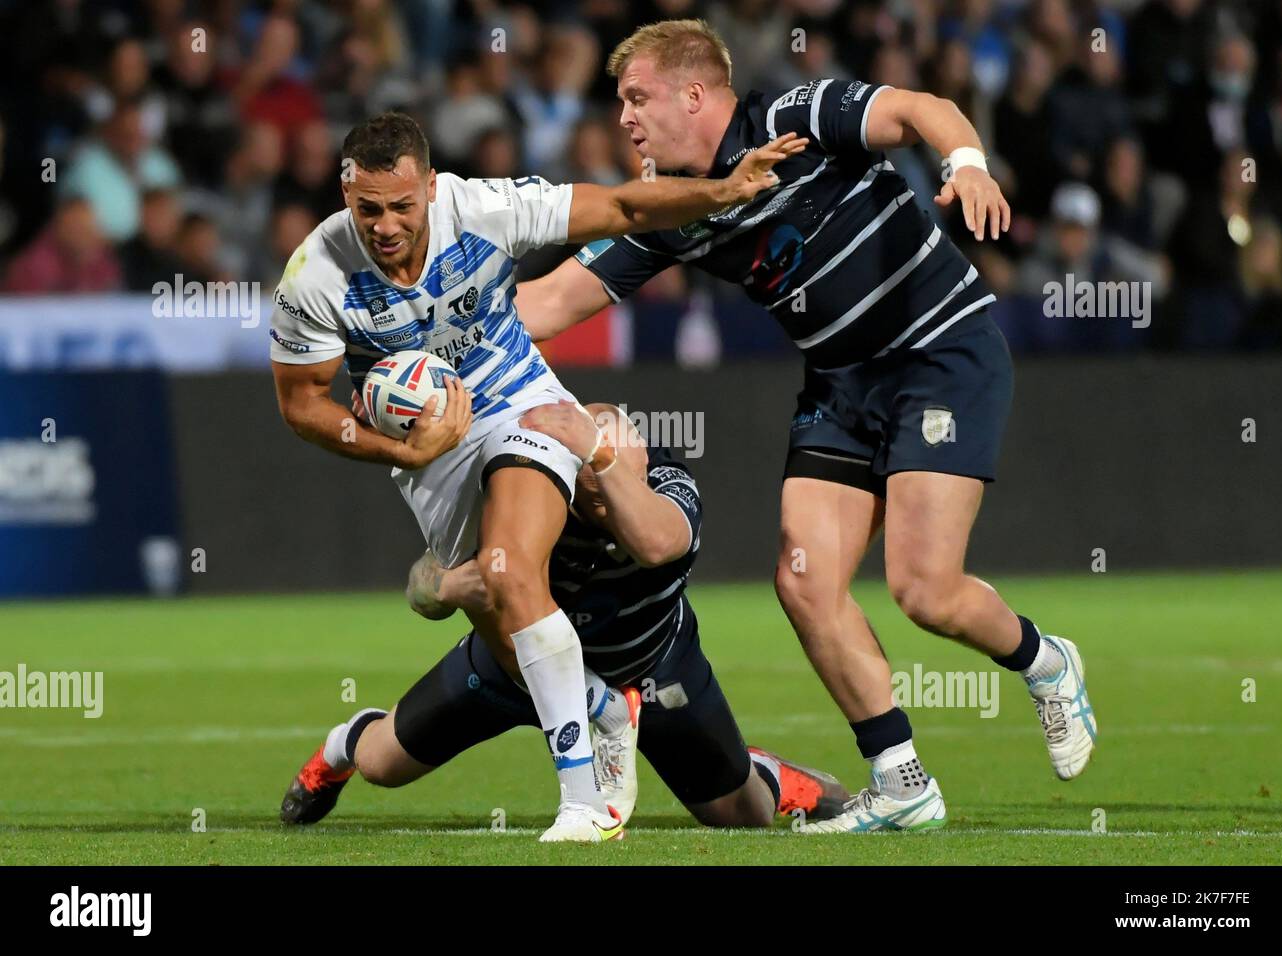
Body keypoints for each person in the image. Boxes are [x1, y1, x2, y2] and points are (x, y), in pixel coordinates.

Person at [513, 19, 1097, 834]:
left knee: (925, 591)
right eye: (620, 102)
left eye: (637, 97)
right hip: (840, 384)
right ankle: (901, 780)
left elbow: (922, 109)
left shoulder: (797, 114)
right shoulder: (673, 206)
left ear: (695, 93)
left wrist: (966, 164)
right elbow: (547, 303)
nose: (625, 118)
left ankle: (1045, 660)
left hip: (938, 352)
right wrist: (431, 322)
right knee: (802, 579)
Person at [268, 110, 804, 842]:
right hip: (432, 449)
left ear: (432, 185)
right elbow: (302, 405)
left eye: (402, 205)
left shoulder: (485, 210)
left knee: (510, 566)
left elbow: (617, 206)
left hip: (523, 404)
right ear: (344, 194)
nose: (386, 225)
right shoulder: (316, 274)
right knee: (492, 615)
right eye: (368, 209)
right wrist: (404, 452)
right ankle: (590, 707)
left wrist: (718, 193)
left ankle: (584, 802)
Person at [280, 403, 849, 831]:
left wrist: (602, 458)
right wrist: (450, 585)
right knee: (381, 765)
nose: (605, 495)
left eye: (618, 473)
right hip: (515, 670)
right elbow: (418, 589)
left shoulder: (668, 488)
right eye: (592, 482)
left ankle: (767, 773)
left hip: (649, 665)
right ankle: (337, 749)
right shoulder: (527, 498)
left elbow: (659, 542)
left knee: (740, 818)